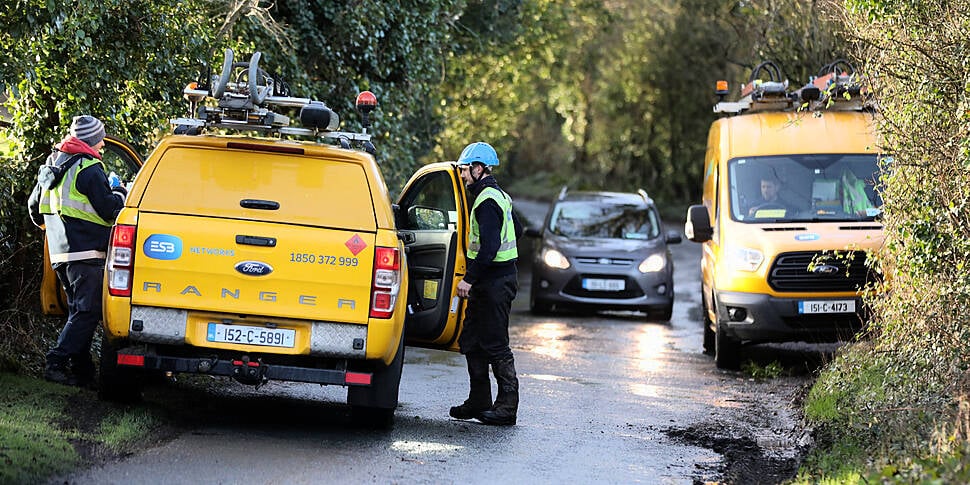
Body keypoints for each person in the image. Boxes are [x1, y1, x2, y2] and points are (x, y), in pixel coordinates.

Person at [27, 115, 127, 386]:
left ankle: (82, 371)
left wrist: (51, 229)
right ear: (93, 140)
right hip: (86, 253)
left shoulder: (52, 164)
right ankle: (56, 361)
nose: (103, 144)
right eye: (100, 139)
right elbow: (109, 211)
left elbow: (34, 208)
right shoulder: (90, 168)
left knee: (78, 311)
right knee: (88, 312)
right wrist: (119, 192)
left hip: (59, 254)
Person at [449, 141, 521, 426]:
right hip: (492, 282)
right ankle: (479, 400)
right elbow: (520, 231)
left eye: (465, 170)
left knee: (495, 344)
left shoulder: (487, 200)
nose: (463, 175)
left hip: (494, 284)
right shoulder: (498, 195)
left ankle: (507, 408)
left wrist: (469, 279)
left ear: (478, 169)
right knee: (472, 341)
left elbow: (490, 247)